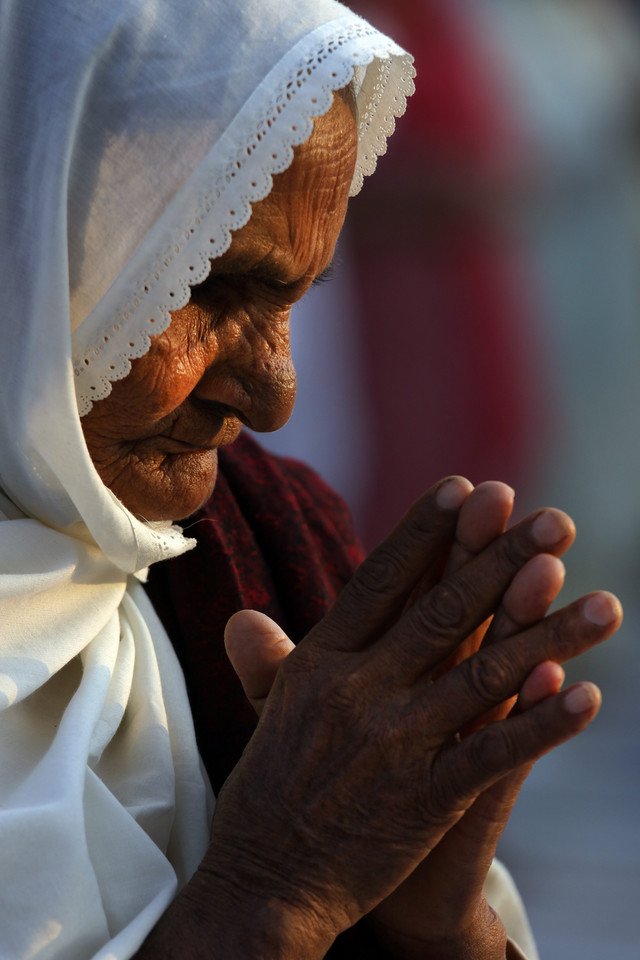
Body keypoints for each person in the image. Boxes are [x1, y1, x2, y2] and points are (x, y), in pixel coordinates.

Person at [0, 1, 622, 958]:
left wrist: (441, 923)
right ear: (31, 242)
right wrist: (277, 885)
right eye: (210, 286)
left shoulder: (273, 538)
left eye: (297, 296)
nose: (274, 395)